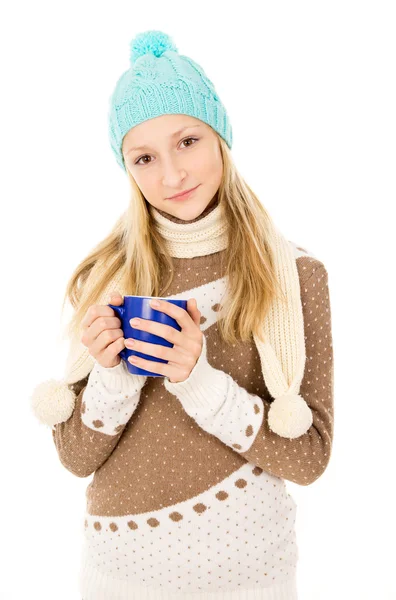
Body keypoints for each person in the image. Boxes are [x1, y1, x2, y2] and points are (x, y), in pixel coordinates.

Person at [31, 29, 334, 600]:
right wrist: (112, 371)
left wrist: (197, 381)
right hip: (118, 578)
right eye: (144, 157)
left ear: (219, 136)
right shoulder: (103, 277)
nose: (171, 175)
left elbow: (309, 456)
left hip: (251, 577)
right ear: (127, 168)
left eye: (188, 141)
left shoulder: (295, 275)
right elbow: (75, 458)